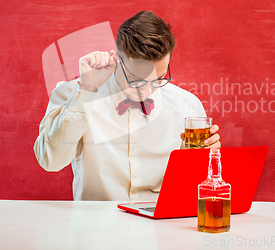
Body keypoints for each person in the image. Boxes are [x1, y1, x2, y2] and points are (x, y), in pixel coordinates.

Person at [34, 11, 220, 201]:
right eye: (135, 79)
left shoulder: (187, 106)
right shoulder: (74, 94)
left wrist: (206, 158)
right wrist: (86, 90)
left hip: (162, 225)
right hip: (96, 225)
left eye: (158, 79)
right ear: (117, 59)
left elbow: (196, 183)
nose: (146, 91)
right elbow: (51, 161)